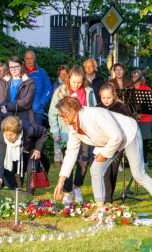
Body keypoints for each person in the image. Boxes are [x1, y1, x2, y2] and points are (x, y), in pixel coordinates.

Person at [53, 96, 152, 223]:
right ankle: (101, 209)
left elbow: (117, 136)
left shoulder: (94, 114)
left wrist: (103, 154)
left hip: (128, 134)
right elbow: (71, 153)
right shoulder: (73, 128)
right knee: (95, 170)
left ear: (72, 110)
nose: (62, 118)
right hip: (110, 142)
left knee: (139, 175)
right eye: (61, 115)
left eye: (63, 114)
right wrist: (61, 182)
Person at [48, 66, 96, 205]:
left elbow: (93, 112)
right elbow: (52, 113)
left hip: (84, 132)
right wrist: (56, 132)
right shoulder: (60, 91)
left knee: (83, 161)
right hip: (65, 132)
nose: (76, 85)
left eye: (79, 82)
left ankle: (77, 187)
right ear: (69, 79)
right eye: (74, 82)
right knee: (68, 162)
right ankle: (67, 192)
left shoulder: (89, 92)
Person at [97, 84, 133, 202]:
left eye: (108, 98)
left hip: (118, 145)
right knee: (105, 172)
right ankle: (106, 200)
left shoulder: (121, 107)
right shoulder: (97, 108)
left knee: (113, 171)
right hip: (103, 145)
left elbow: (129, 125)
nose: (106, 101)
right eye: (103, 98)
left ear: (114, 96)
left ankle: (109, 197)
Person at [0, 116, 47, 189]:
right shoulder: (1, 137)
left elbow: (43, 132)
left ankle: (29, 194)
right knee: (8, 167)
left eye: (11, 135)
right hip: (14, 154)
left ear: (18, 132)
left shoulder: (29, 130)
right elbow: (0, 157)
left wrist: (38, 149)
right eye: (6, 135)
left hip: (30, 151)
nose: (8, 137)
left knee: (31, 169)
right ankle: (14, 190)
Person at [0, 56, 35, 129]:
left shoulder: (29, 82)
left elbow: (26, 103)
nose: (14, 69)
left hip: (24, 118)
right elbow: (1, 102)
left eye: (16, 66)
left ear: (21, 66)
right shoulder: (3, 82)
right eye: (11, 67)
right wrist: (6, 106)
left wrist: (7, 107)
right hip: (6, 117)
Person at [23, 49, 53, 127]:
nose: (29, 60)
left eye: (31, 58)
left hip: (37, 111)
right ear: (24, 59)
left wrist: (41, 103)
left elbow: (49, 89)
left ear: (35, 59)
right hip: (23, 112)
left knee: (37, 136)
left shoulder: (42, 72)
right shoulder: (19, 72)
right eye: (27, 58)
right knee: (24, 136)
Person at [131, 69, 152, 167]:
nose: (135, 78)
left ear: (141, 78)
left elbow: (151, 104)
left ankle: (144, 162)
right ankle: (134, 162)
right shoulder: (129, 89)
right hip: (132, 119)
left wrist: (141, 114)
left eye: (137, 76)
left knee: (144, 141)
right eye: (134, 76)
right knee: (133, 141)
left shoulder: (147, 89)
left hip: (145, 119)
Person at [48, 65, 69, 168]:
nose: (64, 76)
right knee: (58, 142)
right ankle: (58, 161)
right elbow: (52, 111)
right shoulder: (57, 87)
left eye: (66, 74)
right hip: (60, 122)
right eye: (62, 74)